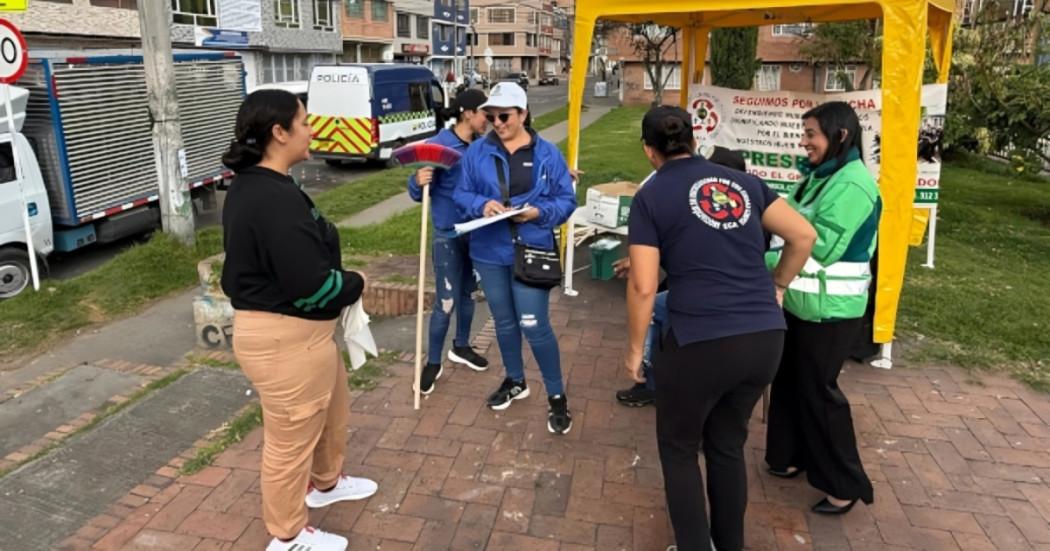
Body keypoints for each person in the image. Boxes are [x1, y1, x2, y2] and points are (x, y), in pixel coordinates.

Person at [624, 106, 816, 551]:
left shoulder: (651, 196)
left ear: (649, 151)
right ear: (694, 141)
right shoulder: (745, 183)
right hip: (764, 339)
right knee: (727, 446)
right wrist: (778, 286)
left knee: (678, 448)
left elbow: (643, 284)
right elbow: (803, 236)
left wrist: (635, 351)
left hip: (700, 341)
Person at [220, 90, 378, 551]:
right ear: (279, 132)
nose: (313, 130)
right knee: (289, 444)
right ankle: (287, 535)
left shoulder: (270, 184)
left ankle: (326, 482)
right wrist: (355, 283)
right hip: (283, 339)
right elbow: (308, 285)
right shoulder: (267, 197)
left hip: (306, 338)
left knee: (331, 411)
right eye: (305, 122)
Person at [764, 101, 881, 515]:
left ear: (840, 136)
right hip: (800, 302)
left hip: (831, 311)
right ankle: (787, 456)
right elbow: (786, 220)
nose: (804, 142)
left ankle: (844, 485)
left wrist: (752, 262)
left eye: (811, 134)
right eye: (804, 133)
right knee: (789, 381)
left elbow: (817, 245)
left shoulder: (852, 186)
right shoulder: (817, 178)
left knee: (819, 393)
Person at [453, 82, 578, 434]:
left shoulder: (548, 154)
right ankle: (515, 380)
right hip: (489, 252)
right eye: (491, 115)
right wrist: (482, 205)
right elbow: (462, 192)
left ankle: (557, 396)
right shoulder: (476, 152)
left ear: (523, 114)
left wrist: (538, 213)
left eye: (505, 115)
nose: (497, 122)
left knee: (534, 325)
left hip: (532, 248)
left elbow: (566, 200)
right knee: (504, 323)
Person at [615, 146, 747, 408]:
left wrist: (642, 263)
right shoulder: (748, 207)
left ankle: (651, 382)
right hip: (752, 313)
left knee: (651, 307)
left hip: (710, 304)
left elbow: (684, 256)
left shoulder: (708, 208)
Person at [407, 89, 491, 394]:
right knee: (446, 300)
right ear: (468, 112)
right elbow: (415, 191)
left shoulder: (482, 147)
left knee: (469, 294)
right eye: (485, 114)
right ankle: (433, 361)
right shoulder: (438, 145)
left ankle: (462, 346)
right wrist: (418, 182)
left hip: (477, 231)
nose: (490, 120)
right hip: (448, 235)